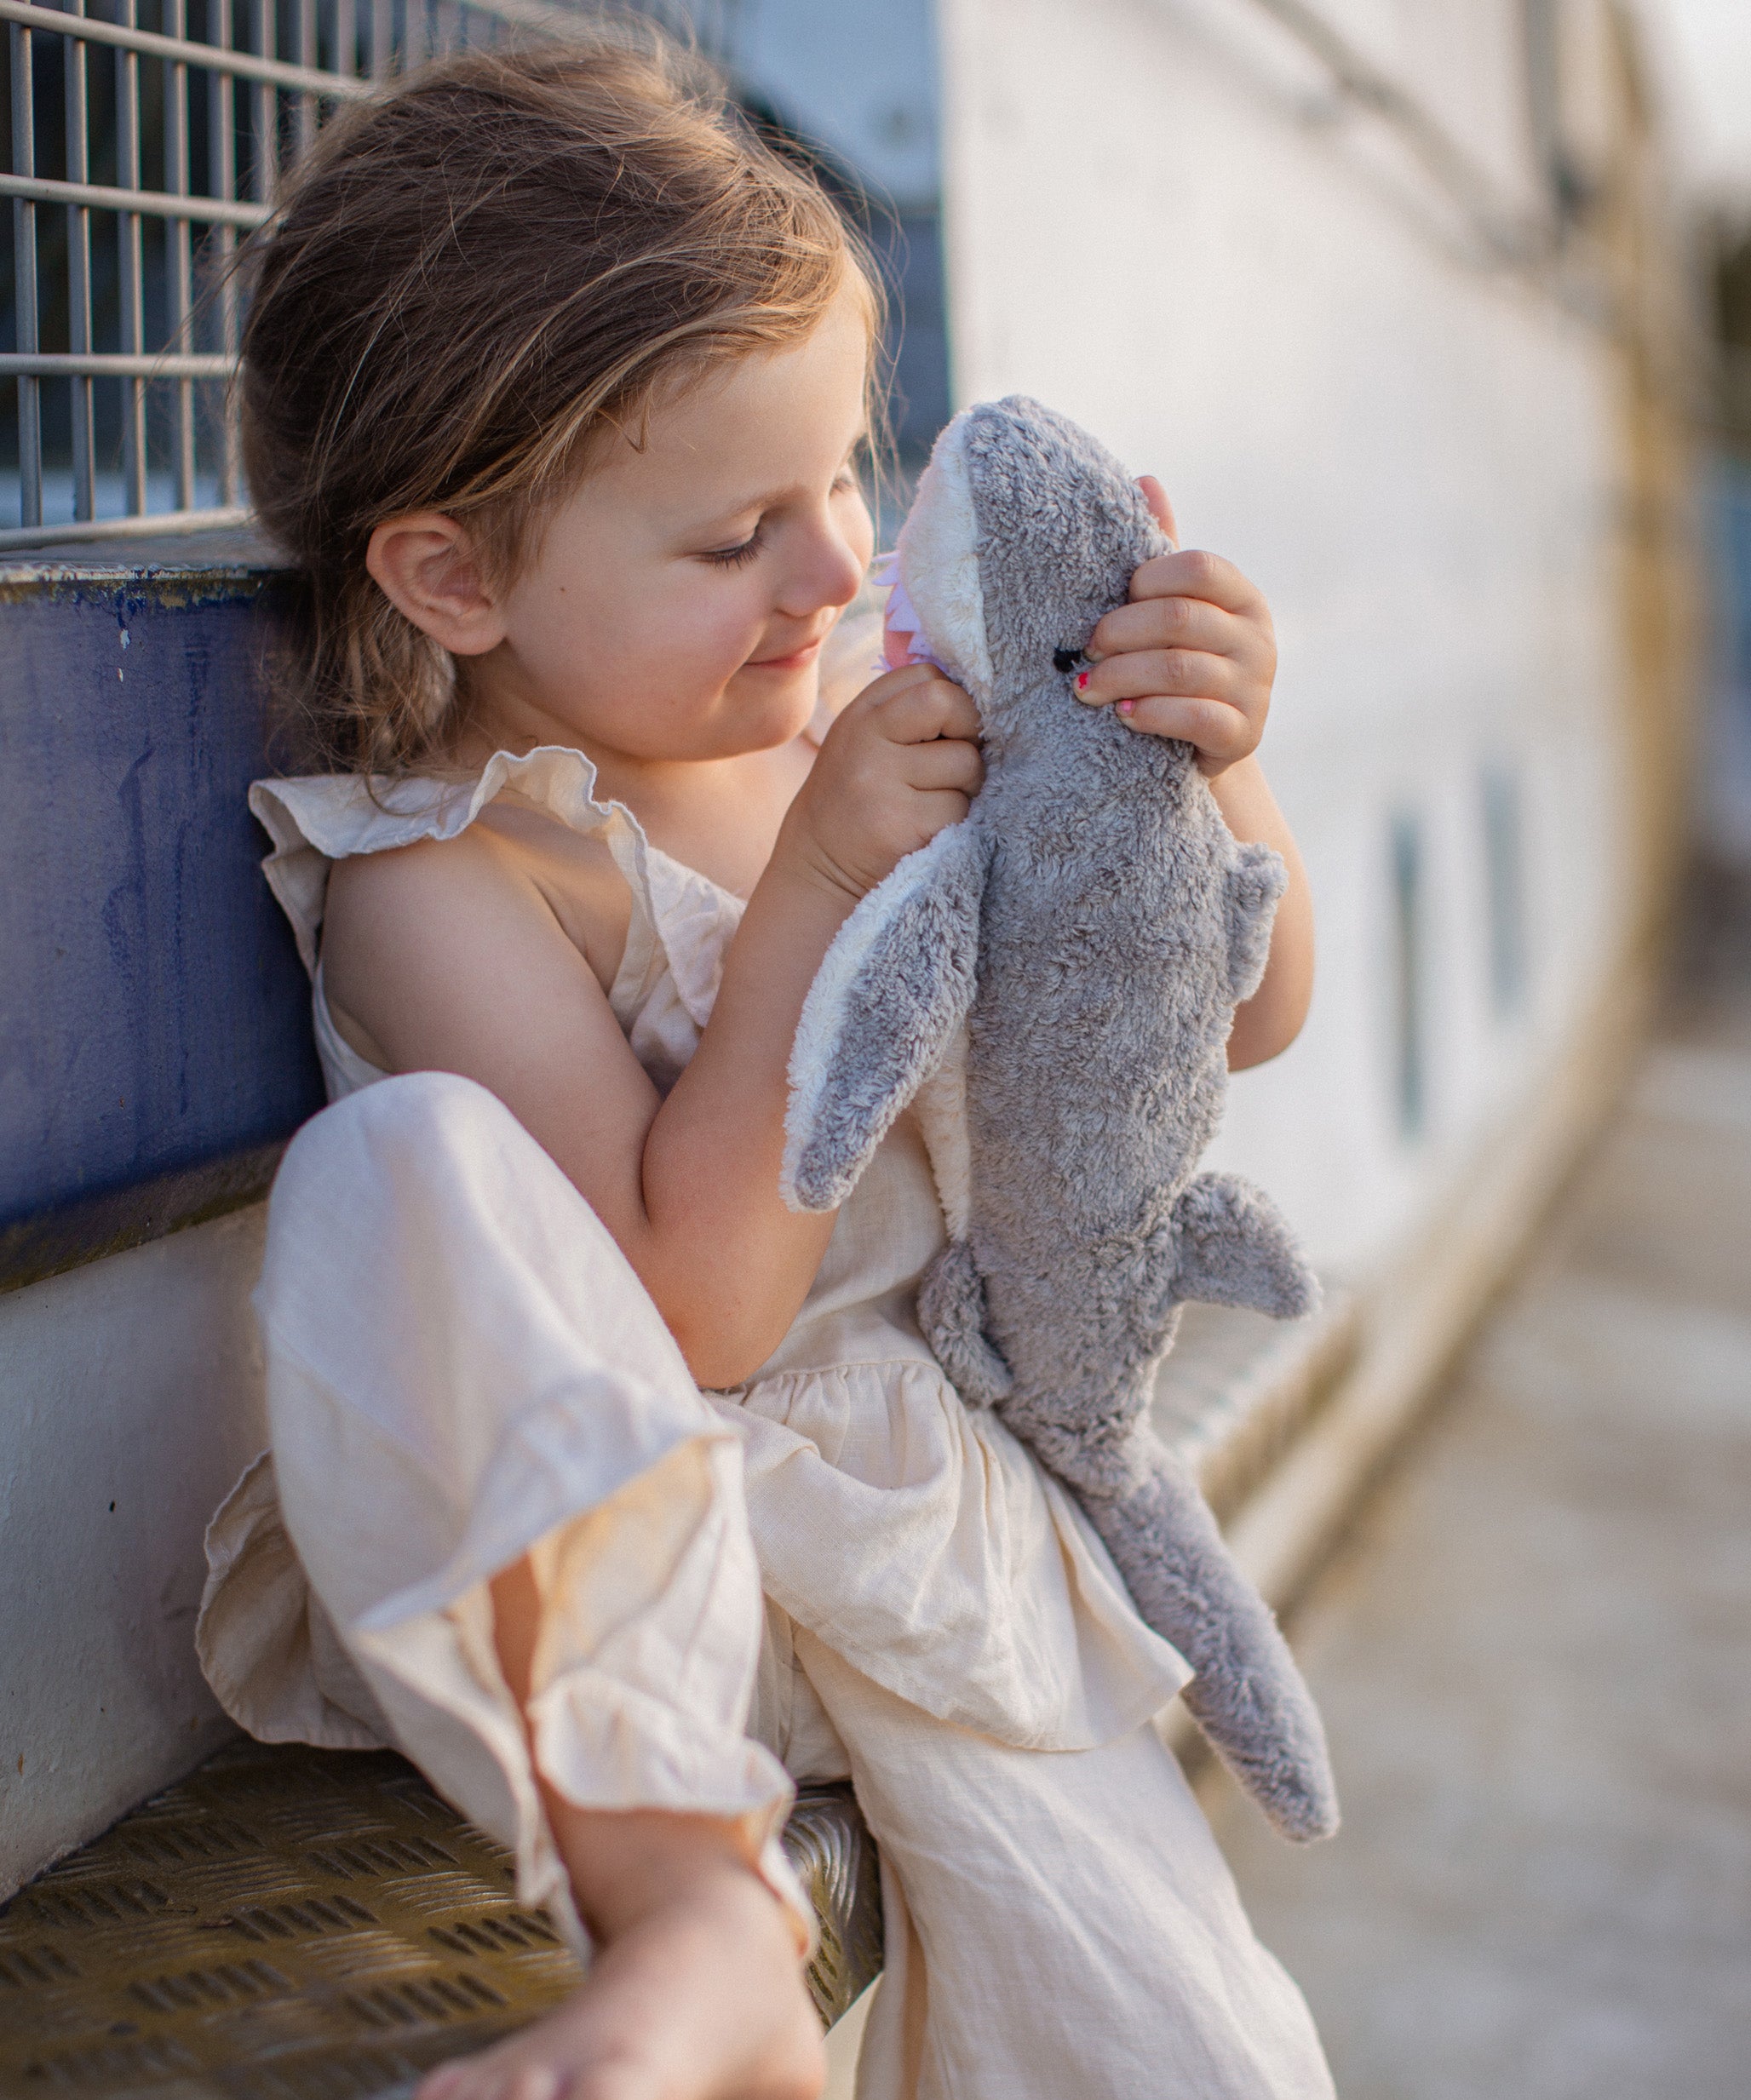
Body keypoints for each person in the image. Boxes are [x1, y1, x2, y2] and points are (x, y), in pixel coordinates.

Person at [195, 26, 1331, 2100]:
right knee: (402, 1175)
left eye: (838, 482)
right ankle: (695, 1911)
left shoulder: (872, 724)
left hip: (934, 1546)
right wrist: (812, 884)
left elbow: (1235, 1020)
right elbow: (692, 1312)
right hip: (623, 1587)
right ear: (454, 576)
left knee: (1179, 2054)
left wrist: (1212, 773)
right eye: (734, 540)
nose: (829, 573)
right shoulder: (451, 878)